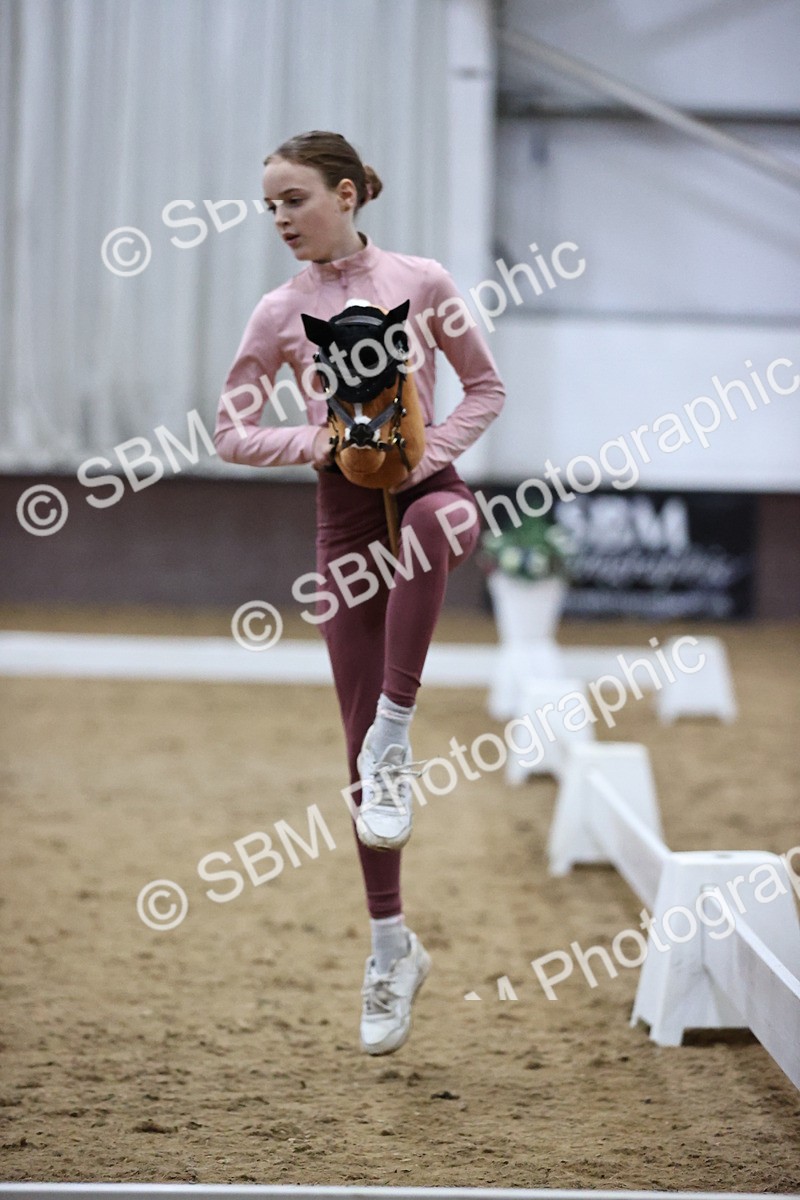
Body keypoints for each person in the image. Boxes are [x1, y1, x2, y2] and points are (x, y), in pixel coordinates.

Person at [214, 130, 504, 1055]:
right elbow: (230, 430)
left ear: (345, 194)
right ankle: (391, 948)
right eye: (270, 205)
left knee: (440, 527)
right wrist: (322, 446)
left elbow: (487, 389)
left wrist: (429, 453)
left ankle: (397, 730)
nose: (280, 219)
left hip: (429, 489)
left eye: (293, 199)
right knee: (354, 772)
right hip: (341, 520)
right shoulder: (277, 311)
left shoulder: (422, 279)